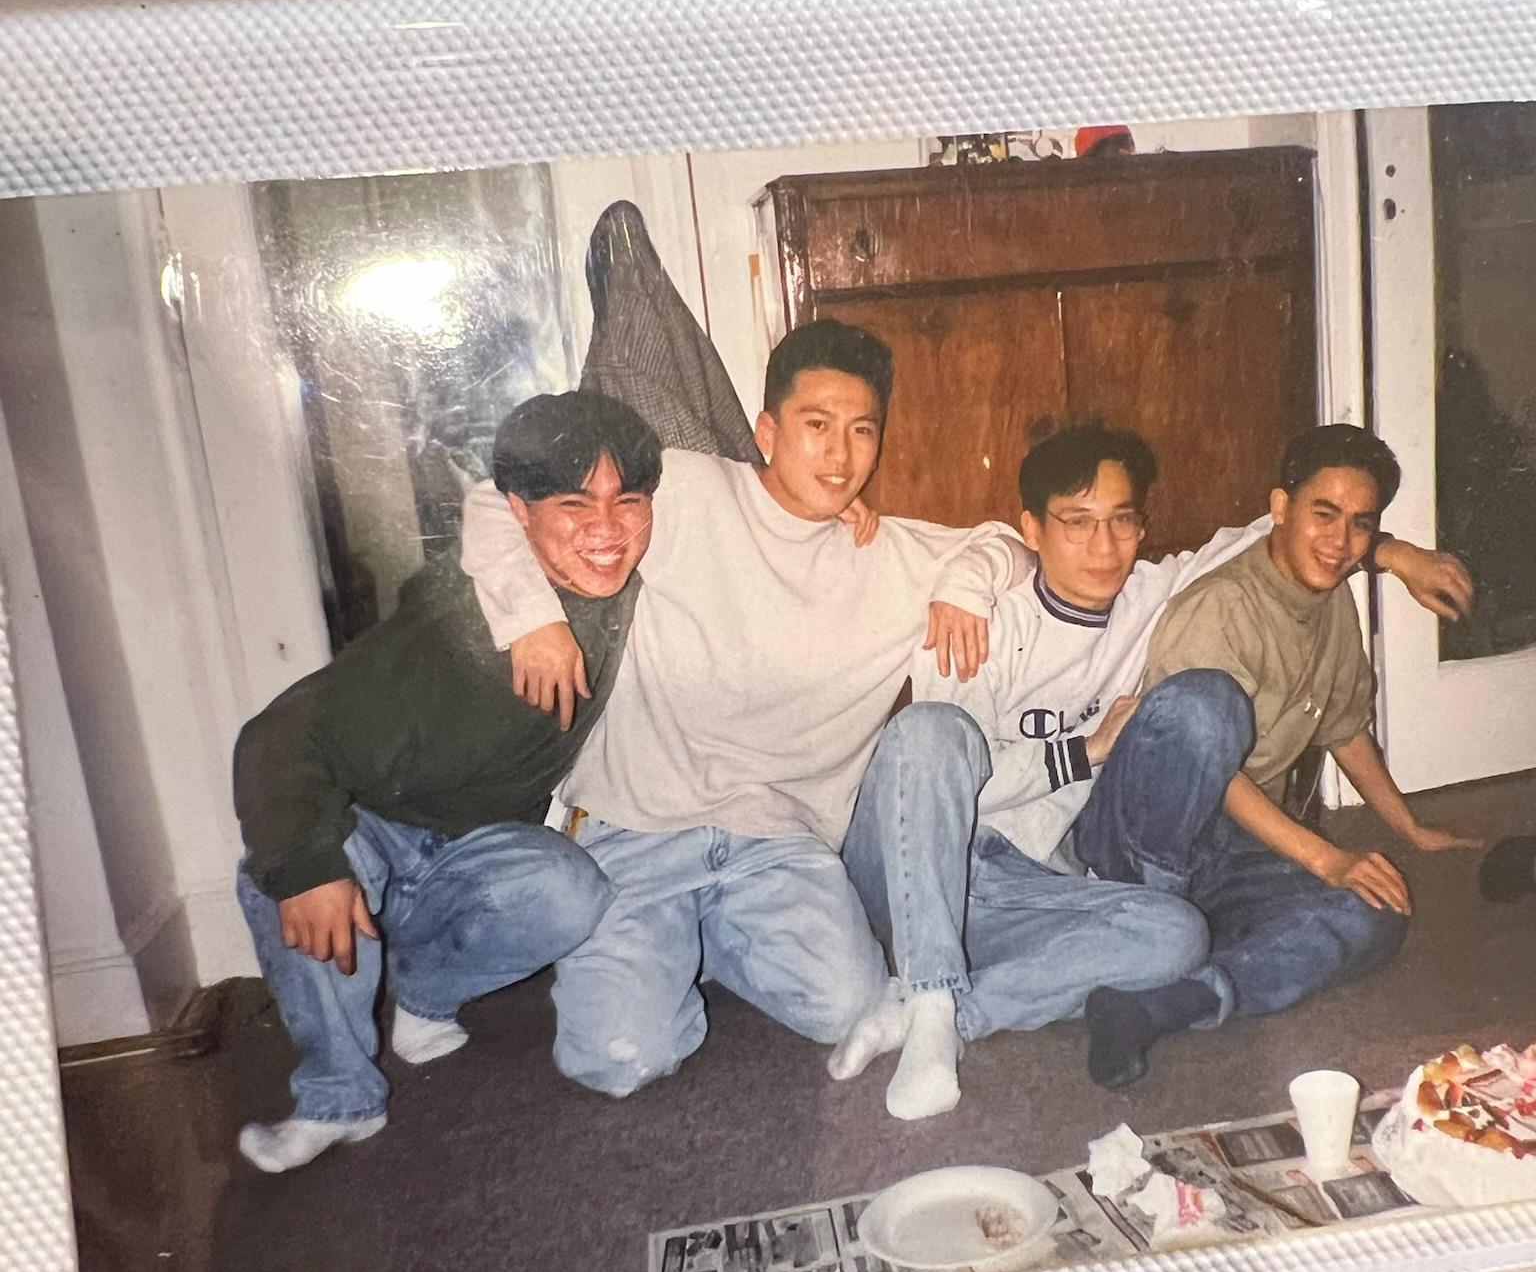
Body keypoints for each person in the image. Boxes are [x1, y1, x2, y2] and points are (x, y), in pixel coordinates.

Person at [460, 317, 1033, 1096]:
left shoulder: (891, 553)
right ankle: (669, 943)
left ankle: (708, 939)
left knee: (849, 1007)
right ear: (768, 431)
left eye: (862, 431)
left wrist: (965, 583)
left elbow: (1008, 544)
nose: (839, 454)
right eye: (816, 426)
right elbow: (501, 499)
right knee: (618, 1061)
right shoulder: (689, 489)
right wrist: (531, 616)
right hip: (637, 826)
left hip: (776, 840)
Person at [833, 421, 1468, 1118]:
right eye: (1077, 524)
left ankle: (948, 1014)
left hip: (1034, 887)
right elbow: (949, 790)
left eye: (1122, 522)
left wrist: (1398, 554)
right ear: (1032, 530)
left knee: (1177, 933)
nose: (1103, 548)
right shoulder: (979, 623)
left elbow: (1289, 528)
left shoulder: (1148, 596)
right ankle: (930, 992)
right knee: (930, 730)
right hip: (921, 871)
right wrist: (1087, 749)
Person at [231, 391, 661, 1172]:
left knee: (572, 889)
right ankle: (338, 1096)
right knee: (290, 866)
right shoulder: (459, 625)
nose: (607, 528)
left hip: (483, 847)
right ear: (522, 516)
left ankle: (423, 999)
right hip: (377, 824)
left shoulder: (630, 586)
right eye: (574, 504)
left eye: (626, 501)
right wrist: (308, 867)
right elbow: (282, 737)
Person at [1076, 422, 1482, 1088]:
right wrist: (1326, 855)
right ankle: (1155, 930)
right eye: (1324, 515)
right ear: (1280, 508)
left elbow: (1345, 728)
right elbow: (1218, 770)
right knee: (1204, 704)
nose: (1340, 542)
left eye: (1359, 524)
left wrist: (1410, 829)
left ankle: (1164, 1001)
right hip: (1145, 836)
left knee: (1377, 909)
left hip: (1236, 847)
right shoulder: (1221, 606)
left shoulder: (1333, 603)